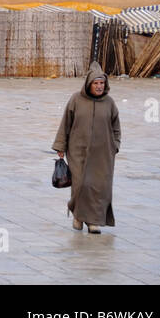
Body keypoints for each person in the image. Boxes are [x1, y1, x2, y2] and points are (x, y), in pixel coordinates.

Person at [52, 64, 121, 234]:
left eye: (101, 84)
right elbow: (65, 124)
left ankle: (93, 221)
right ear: (89, 84)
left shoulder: (109, 103)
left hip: (103, 154)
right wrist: (60, 146)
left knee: (99, 186)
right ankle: (77, 214)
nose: (99, 86)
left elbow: (116, 127)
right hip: (78, 151)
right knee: (81, 184)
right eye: (96, 83)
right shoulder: (76, 100)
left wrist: (115, 145)